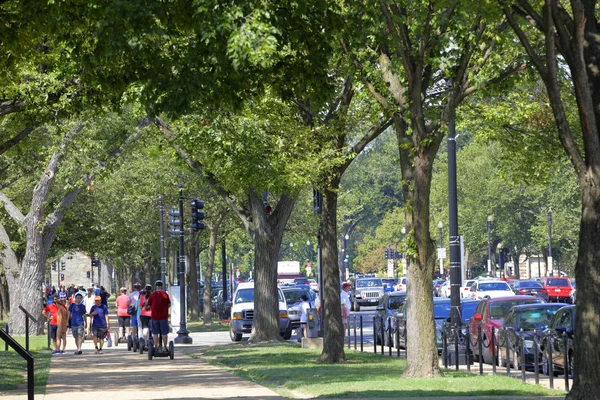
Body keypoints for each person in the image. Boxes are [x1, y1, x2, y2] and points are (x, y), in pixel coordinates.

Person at [147, 280, 170, 352]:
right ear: (162, 286)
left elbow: (149, 305)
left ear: (155, 286)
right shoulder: (165, 295)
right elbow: (169, 304)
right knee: (164, 332)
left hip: (155, 316)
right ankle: (165, 347)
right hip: (163, 316)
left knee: (155, 332)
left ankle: (156, 346)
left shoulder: (152, 295)